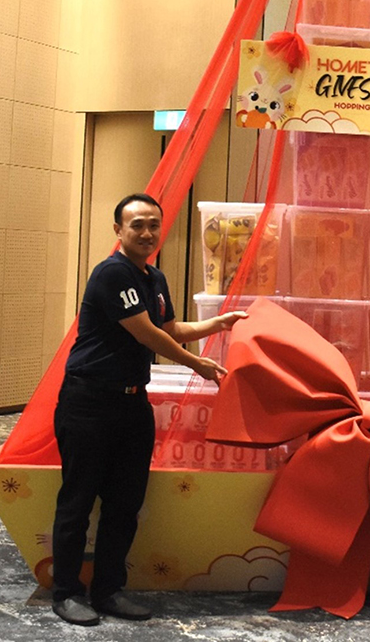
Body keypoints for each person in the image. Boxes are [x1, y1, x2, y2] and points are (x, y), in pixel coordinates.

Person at [50, 193, 246, 626]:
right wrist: (197, 363)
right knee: (77, 501)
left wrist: (217, 323)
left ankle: (107, 591)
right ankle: (66, 592)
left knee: (124, 503)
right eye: (137, 224)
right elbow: (147, 336)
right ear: (118, 230)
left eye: (154, 224)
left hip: (132, 403)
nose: (146, 232)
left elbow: (169, 328)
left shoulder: (153, 277)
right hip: (89, 403)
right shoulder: (112, 274)